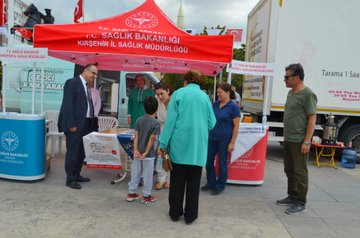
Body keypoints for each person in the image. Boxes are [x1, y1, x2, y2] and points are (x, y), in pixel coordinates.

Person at [159, 71, 216, 225]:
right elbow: (212, 123)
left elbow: (170, 122)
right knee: (193, 184)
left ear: (185, 81)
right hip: (197, 148)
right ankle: (191, 216)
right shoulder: (205, 97)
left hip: (179, 145)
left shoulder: (178, 94)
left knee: (177, 182)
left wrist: (162, 143)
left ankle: (175, 213)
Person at [276, 63, 317, 215]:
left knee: (300, 172)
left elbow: (312, 118)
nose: (284, 80)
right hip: (289, 138)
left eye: (287, 77)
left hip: (299, 140)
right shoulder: (291, 93)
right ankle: (292, 196)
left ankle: (301, 202)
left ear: (297, 77)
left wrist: (307, 141)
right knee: (289, 169)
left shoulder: (308, 94)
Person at [58, 64, 98, 189]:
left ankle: (77, 174)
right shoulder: (72, 83)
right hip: (74, 125)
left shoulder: (87, 86)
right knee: (73, 152)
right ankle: (70, 179)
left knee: (81, 152)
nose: (94, 76)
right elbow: (67, 105)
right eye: (93, 73)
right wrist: (71, 124)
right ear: (85, 71)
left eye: (96, 74)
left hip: (86, 123)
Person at [202, 83, 241, 195]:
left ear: (227, 93)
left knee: (222, 163)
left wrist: (232, 143)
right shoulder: (215, 104)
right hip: (212, 137)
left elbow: (236, 126)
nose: (217, 94)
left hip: (224, 139)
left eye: (220, 92)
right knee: (208, 161)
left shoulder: (234, 107)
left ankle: (220, 185)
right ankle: (211, 183)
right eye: (217, 92)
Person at [126, 96, 160, 204]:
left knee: (135, 173)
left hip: (137, 153)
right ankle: (146, 196)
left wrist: (135, 150)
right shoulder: (156, 123)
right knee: (147, 175)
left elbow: (136, 135)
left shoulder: (139, 120)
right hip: (149, 155)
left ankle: (131, 193)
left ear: (144, 109)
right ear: (156, 109)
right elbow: (152, 138)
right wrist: (146, 152)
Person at [154, 81, 173, 190]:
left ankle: (169, 180)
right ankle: (161, 180)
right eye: (158, 94)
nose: (160, 96)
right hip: (161, 128)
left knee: (172, 156)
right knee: (162, 155)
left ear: (168, 91)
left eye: (162, 94)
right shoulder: (157, 101)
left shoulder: (174, 101)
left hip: (173, 130)